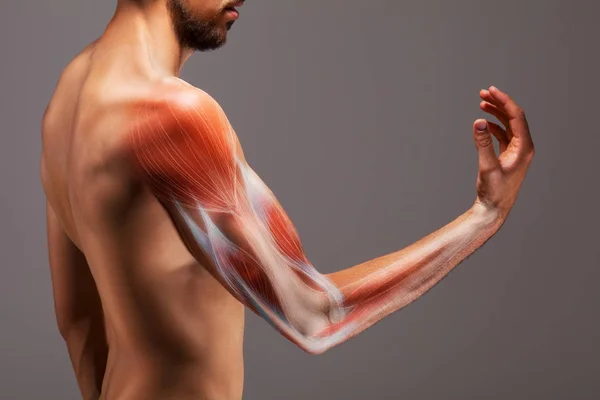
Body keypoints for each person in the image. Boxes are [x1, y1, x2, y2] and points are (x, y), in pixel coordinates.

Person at [40, 0, 535, 399]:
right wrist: (485, 216)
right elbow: (316, 317)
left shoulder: (70, 93)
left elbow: (76, 321)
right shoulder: (171, 115)